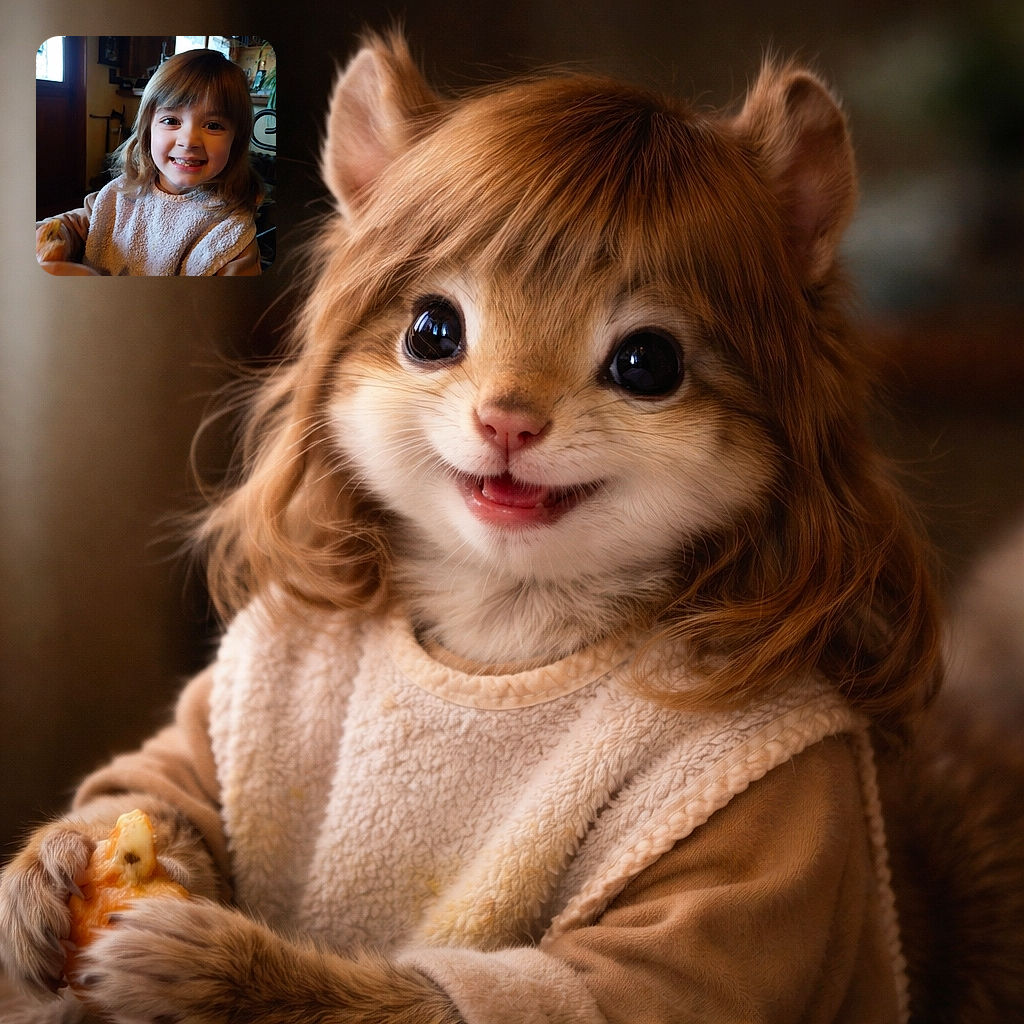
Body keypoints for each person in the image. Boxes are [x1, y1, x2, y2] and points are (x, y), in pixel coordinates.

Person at [35, 48, 264, 276]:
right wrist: (51, 239)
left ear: (236, 141)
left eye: (213, 125)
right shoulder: (120, 194)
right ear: (148, 131)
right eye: (171, 121)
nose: (188, 141)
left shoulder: (231, 236)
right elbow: (76, 224)